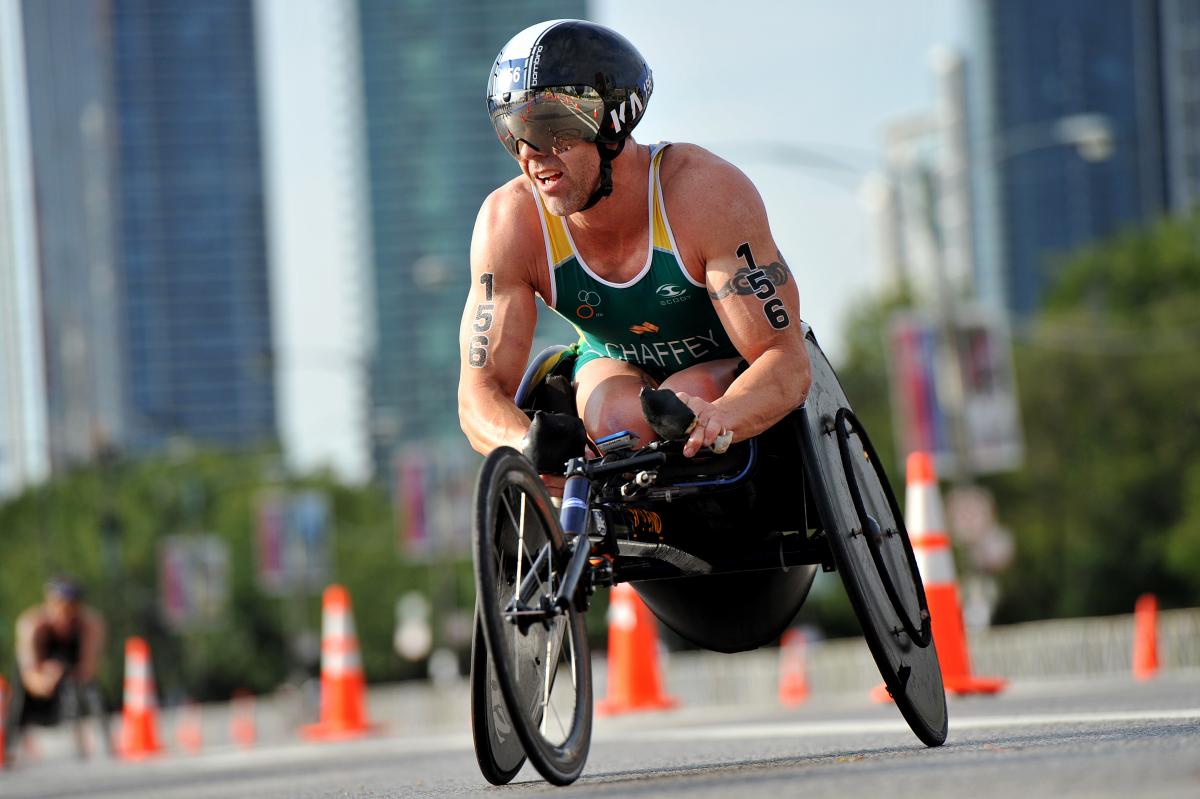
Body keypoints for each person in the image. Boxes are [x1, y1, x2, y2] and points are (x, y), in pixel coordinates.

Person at [459, 19, 811, 472]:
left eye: (549, 126)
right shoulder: (509, 221)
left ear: (613, 121)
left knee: (691, 394)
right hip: (611, 363)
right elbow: (478, 396)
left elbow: (785, 360)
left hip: (724, 365)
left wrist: (721, 417)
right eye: (511, 131)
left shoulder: (704, 195)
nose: (529, 152)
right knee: (615, 420)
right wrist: (526, 444)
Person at [8, 576, 108, 761]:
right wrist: (47, 679)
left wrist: (68, 673)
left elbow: (89, 668)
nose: (65, 614)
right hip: (40, 677)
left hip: (71, 672)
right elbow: (29, 675)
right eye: (61, 606)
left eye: (72, 606)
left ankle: (100, 743)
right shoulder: (33, 625)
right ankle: (9, 746)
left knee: (92, 692)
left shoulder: (89, 623)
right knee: (18, 699)